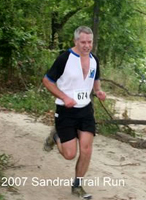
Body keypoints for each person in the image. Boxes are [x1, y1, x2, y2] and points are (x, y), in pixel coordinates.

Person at [42, 26, 106, 199]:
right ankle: (55, 136)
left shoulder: (94, 59)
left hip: (86, 110)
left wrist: (98, 91)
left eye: (90, 42)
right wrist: (64, 97)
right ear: (76, 41)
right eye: (83, 42)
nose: (87, 46)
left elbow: (95, 78)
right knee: (70, 155)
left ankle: (77, 185)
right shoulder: (65, 58)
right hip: (66, 111)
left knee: (86, 150)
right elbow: (47, 81)